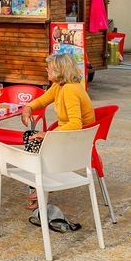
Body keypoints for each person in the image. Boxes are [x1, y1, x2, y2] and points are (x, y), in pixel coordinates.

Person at [19, 51, 96, 208]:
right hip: (67, 135)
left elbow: (75, 124)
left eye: (50, 68)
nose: (47, 70)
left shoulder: (70, 90)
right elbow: (42, 101)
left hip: (77, 140)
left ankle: (42, 185)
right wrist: (28, 108)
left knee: (33, 139)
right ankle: (41, 185)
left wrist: (47, 134)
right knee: (31, 137)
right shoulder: (59, 86)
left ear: (60, 71)